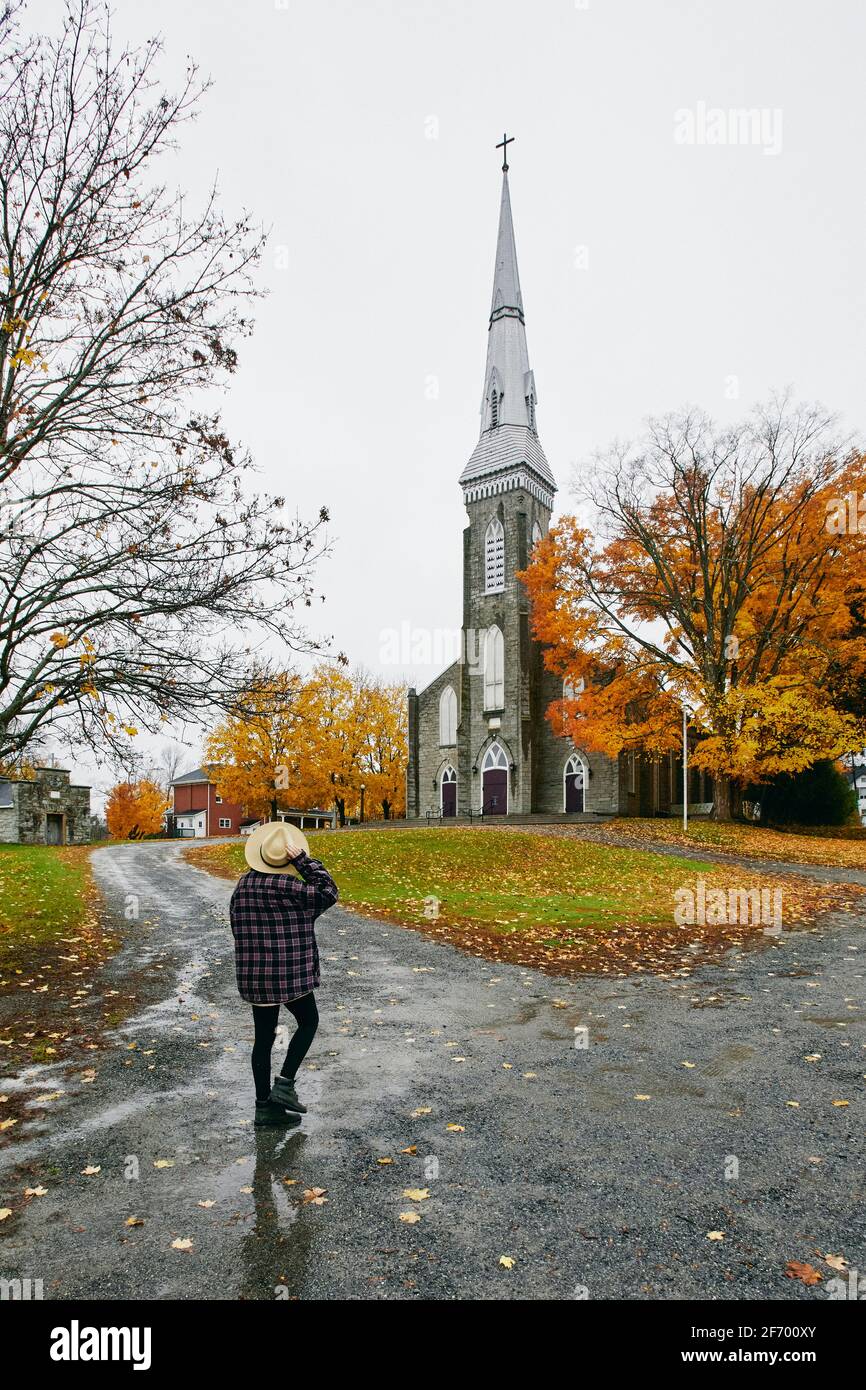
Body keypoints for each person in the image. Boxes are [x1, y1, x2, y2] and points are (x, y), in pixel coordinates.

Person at [229, 821, 339, 1127]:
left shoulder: (243, 886)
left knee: (263, 1039)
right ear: (286, 860)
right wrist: (303, 862)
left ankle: (264, 1108)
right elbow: (329, 892)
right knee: (308, 1021)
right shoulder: (291, 888)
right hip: (290, 976)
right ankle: (285, 1084)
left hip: (255, 976)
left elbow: (236, 925)